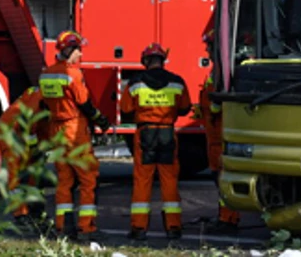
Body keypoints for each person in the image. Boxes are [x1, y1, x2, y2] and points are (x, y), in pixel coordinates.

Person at [38, 30, 110, 240]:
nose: (80, 54)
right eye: (78, 50)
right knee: (88, 179)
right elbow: (84, 103)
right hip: (74, 129)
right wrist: (100, 119)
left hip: (56, 130)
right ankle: (86, 226)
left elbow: (44, 103)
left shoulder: (47, 74)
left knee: (65, 179)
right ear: (69, 50)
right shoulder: (73, 74)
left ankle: (62, 226)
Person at [121, 43, 191, 240]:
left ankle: (139, 228)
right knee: (169, 180)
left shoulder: (135, 83)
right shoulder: (177, 82)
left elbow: (125, 109)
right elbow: (185, 108)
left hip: (145, 133)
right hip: (167, 133)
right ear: (162, 60)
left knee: (143, 180)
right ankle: (174, 227)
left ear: (145, 61)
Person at [198, 29, 240, 233]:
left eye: (209, 46)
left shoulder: (221, 72)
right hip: (216, 135)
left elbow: (216, 102)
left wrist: (211, 108)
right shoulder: (220, 69)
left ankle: (228, 219)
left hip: (219, 135)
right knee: (221, 178)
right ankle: (226, 217)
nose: (206, 50)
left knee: (223, 178)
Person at [0, 85, 50, 229]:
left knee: (35, 172)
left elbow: (43, 129)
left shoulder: (45, 97)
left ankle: (35, 210)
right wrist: (34, 148)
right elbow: (27, 122)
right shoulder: (39, 98)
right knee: (15, 176)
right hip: (10, 132)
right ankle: (20, 215)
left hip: (22, 132)